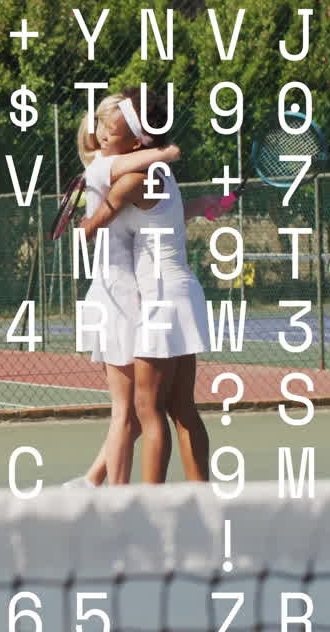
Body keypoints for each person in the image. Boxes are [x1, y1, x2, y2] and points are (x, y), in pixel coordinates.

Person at [71, 88, 229, 485]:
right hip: (181, 292)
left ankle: (147, 506)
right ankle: (199, 498)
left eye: (113, 128)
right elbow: (174, 210)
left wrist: (82, 225)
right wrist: (209, 203)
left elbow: (91, 229)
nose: (104, 133)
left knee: (148, 409)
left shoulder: (132, 182)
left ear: (138, 139)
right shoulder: (160, 174)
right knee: (182, 409)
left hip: (159, 298)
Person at [70, 93, 180, 487]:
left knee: (132, 414)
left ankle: (92, 484)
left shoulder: (125, 172)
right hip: (117, 295)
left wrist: (206, 203)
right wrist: (163, 152)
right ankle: (115, 497)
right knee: (125, 413)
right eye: (98, 126)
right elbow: (133, 162)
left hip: (126, 295)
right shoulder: (106, 168)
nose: (100, 133)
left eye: (108, 127)